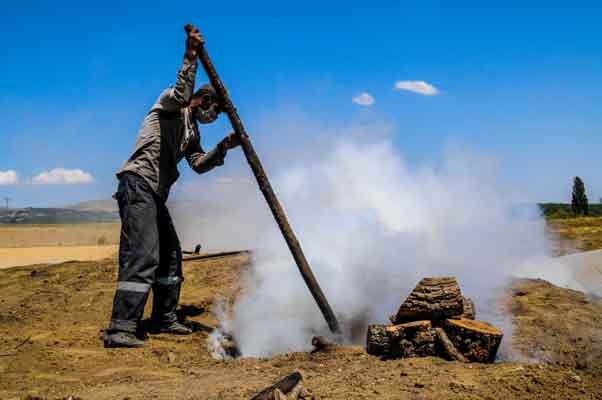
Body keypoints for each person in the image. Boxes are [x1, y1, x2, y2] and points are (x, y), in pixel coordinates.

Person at [104, 26, 239, 348]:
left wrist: (221, 149)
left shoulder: (192, 133)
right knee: (143, 254)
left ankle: (164, 318)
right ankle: (120, 327)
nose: (214, 116)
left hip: (154, 193)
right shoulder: (170, 105)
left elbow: (198, 165)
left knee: (170, 255)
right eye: (215, 111)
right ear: (204, 100)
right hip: (138, 184)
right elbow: (181, 93)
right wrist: (190, 56)